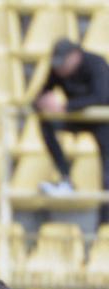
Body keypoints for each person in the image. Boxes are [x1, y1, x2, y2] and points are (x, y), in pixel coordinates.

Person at [34, 38, 109, 227]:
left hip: (103, 121)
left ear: (75, 56)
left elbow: (101, 97)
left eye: (63, 64)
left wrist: (65, 107)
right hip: (76, 117)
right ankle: (66, 177)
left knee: (107, 177)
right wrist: (42, 103)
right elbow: (40, 94)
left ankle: (104, 226)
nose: (60, 70)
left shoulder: (96, 64)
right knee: (46, 123)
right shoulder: (57, 69)